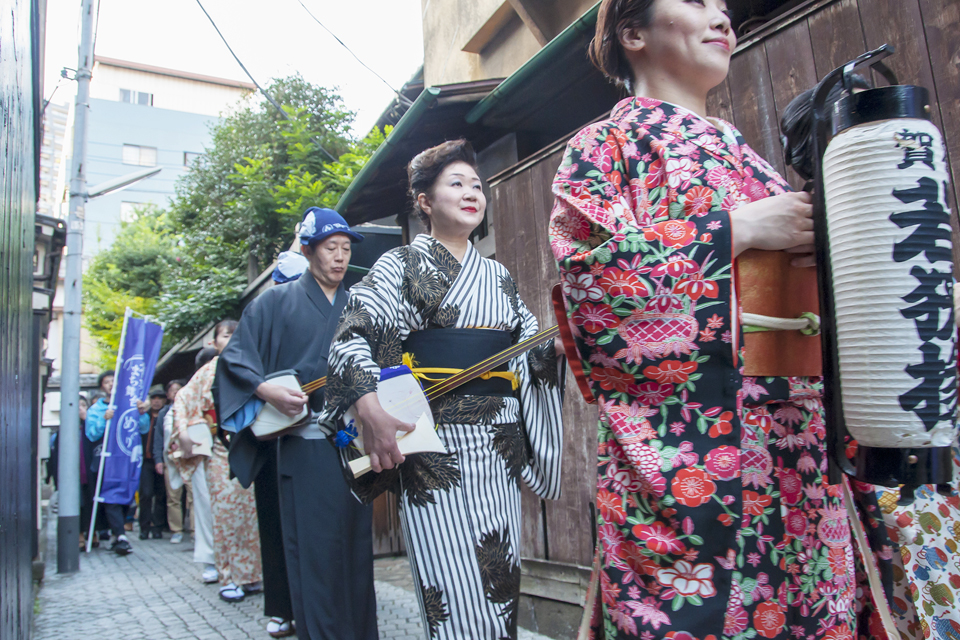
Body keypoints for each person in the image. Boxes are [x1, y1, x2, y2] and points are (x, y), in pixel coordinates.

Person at [548, 1, 893, 637]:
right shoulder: (607, 145)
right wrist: (734, 230)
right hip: (693, 454)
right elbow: (591, 284)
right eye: (696, 2)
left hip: (799, 443)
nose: (722, 17)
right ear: (633, 33)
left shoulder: (749, 157)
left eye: (725, 8)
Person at [324, 141, 565, 640]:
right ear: (425, 201)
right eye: (456, 183)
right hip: (432, 447)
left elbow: (530, 349)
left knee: (499, 584)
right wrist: (369, 407)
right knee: (450, 588)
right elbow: (352, 335)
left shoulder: (497, 277)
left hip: (498, 447)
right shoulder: (400, 266)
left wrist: (558, 346)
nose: (472, 192)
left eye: (477, 184)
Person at [217, 207, 375, 640]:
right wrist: (265, 389)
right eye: (330, 248)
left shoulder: (357, 303)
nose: (340, 258)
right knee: (315, 554)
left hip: (352, 444)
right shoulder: (273, 302)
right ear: (307, 251)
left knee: (357, 552)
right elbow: (235, 360)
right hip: (303, 446)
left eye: (345, 249)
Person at [170, 322, 262, 602]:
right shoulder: (206, 372)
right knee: (224, 516)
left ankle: (252, 575)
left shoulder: (254, 365)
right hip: (222, 451)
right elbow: (183, 401)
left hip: (253, 447)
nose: (232, 339)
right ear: (213, 343)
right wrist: (184, 432)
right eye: (226, 335)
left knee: (254, 515)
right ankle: (229, 576)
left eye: (237, 334)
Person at [85, 370, 135, 555]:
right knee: (110, 496)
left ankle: (118, 534)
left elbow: (142, 426)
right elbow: (91, 434)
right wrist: (105, 419)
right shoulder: (95, 410)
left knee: (125, 497)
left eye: (114, 381)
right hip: (104, 460)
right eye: (107, 382)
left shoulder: (128, 404)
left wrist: (142, 411)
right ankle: (120, 534)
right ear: (102, 386)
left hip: (125, 460)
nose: (111, 384)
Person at [152, 379, 190, 544]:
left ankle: (196, 530)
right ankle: (176, 529)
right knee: (173, 496)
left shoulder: (191, 408)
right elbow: (158, 438)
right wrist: (158, 459)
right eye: (172, 390)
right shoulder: (164, 413)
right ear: (168, 394)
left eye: (178, 389)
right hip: (170, 459)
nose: (175, 393)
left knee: (194, 495)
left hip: (190, 457)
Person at [136, 385, 168, 540]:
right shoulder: (144, 416)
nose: (156, 402)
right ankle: (144, 526)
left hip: (163, 459)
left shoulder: (166, 416)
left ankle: (158, 526)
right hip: (145, 461)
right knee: (146, 494)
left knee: (161, 495)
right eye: (153, 398)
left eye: (159, 398)